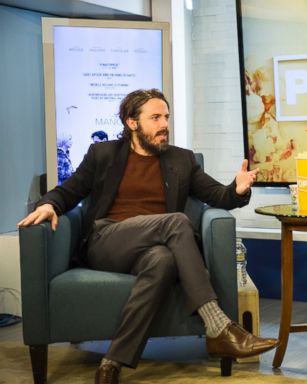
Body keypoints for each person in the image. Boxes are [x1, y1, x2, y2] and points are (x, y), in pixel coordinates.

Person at [18, 89, 278, 384]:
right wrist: (49, 205)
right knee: (177, 222)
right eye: (155, 117)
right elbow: (69, 191)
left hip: (153, 248)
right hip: (108, 242)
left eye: (166, 117)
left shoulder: (182, 159)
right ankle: (217, 326)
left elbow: (218, 195)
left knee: (163, 260)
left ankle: (111, 363)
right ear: (132, 122)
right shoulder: (102, 154)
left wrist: (238, 189)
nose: (164, 124)